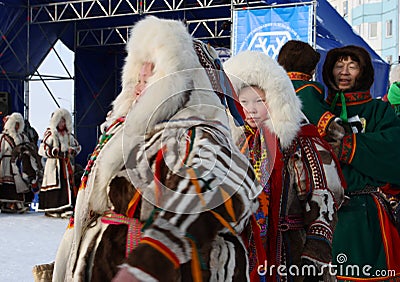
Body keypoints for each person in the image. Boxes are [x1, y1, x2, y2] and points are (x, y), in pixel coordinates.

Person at [37, 16, 260, 282]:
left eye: (149, 79)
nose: (139, 88)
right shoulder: (124, 131)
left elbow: (217, 186)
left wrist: (152, 259)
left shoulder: (196, 129)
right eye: (137, 80)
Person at [224, 51, 346, 281]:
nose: (251, 109)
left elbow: (323, 193)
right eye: (244, 102)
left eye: (259, 101)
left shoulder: (301, 141)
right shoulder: (236, 143)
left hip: (291, 253)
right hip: (244, 250)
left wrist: (316, 250)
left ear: (276, 100)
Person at [322, 45, 400, 280]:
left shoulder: (379, 110)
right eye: (338, 65)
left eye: (352, 66)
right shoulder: (320, 111)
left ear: (363, 71)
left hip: (365, 212)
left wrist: (347, 146)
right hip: (322, 213)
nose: (344, 71)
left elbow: (392, 148)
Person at [277, 40, 345, 141]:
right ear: (312, 69)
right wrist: (344, 134)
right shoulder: (308, 89)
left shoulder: (273, 87)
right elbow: (328, 126)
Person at [38, 108, 81, 218]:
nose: (62, 123)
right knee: (55, 186)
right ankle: (52, 209)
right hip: (54, 164)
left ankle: (65, 207)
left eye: (64, 121)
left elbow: (78, 147)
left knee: (66, 186)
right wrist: (52, 151)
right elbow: (41, 149)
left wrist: (73, 150)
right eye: (60, 121)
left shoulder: (68, 135)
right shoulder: (50, 134)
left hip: (66, 165)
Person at [0, 112, 36, 213]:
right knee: (8, 185)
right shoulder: (3, 137)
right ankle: (8, 204)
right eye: (15, 123)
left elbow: (29, 148)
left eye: (18, 124)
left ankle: (19, 203)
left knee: (21, 184)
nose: (16, 126)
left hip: (19, 163)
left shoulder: (23, 137)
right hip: (6, 165)